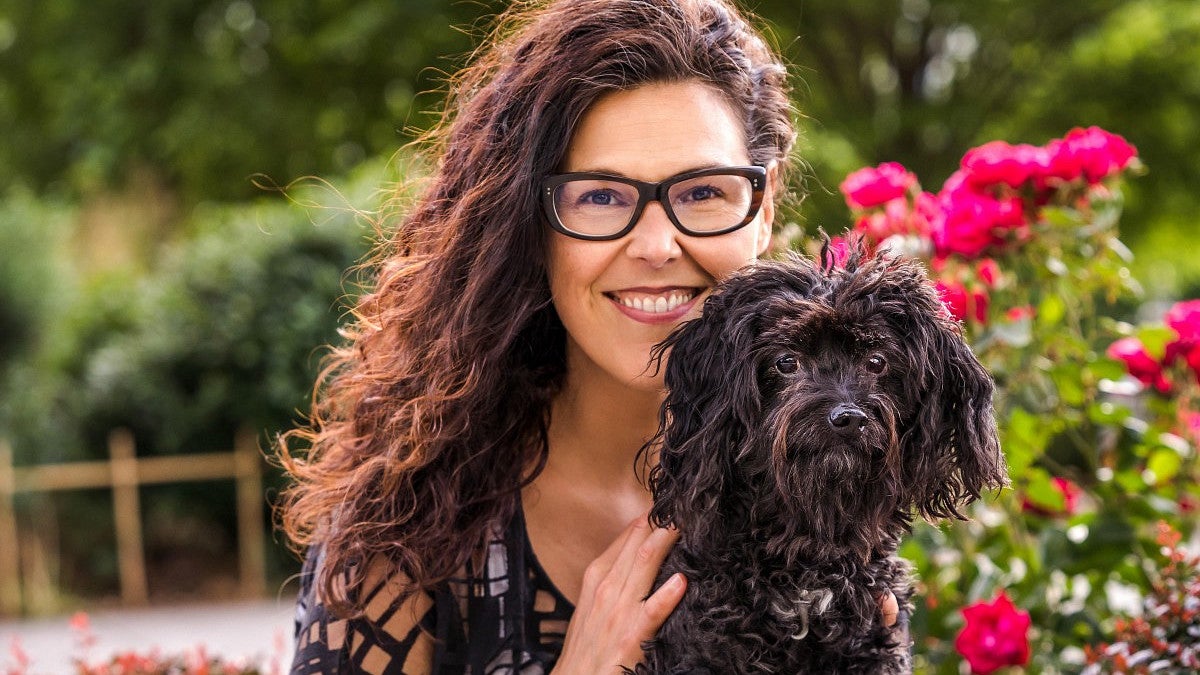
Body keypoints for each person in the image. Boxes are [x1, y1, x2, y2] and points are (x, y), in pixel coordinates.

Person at [279, 0, 901, 672]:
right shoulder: (400, 539)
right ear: (529, 221)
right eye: (601, 197)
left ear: (764, 205)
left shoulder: (845, 475)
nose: (658, 245)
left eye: (702, 193)